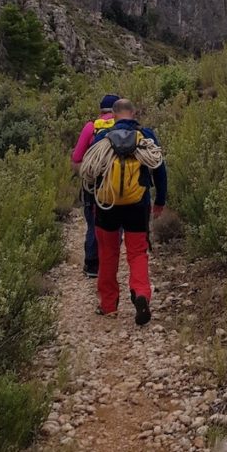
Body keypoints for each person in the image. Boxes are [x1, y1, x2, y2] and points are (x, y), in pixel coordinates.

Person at [86, 98, 166, 325]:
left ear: (113, 114)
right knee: (137, 252)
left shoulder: (103, 138)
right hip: (137, 204)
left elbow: (91, 173)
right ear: (134, 112)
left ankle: (108, 306)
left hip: (106, 205)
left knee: (108, 253)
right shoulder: (146, 136)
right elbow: (159, 169)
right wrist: (160, 200)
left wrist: (93, 202)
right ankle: (141, 293)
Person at [71, 94, 120, 278]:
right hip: (116, 187)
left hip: (93, 186)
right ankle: (111, 266)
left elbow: (76, 158)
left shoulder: (91, 127)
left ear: (100, 110)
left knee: (93, 223)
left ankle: (92, 265)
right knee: (115, 226)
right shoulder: (123, 128)